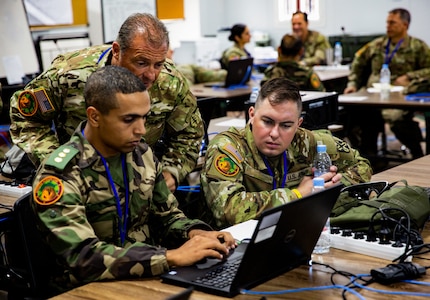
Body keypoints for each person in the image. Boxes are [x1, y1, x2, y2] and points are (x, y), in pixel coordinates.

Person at [30, 65, 236, 295]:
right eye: (129, 119)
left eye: (144, 117)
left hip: (148, 275)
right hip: (87, 288)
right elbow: (84, 257)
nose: (141, 129)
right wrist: (170, 257)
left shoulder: (141, 154)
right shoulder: (59, 175)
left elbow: (167, 217)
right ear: (94, 116)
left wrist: (196, 234)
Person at [9, 13, 204, 192]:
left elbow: (189, 134)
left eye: (158, 64)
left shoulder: (170, 83)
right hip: (78, 183)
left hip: (137, 185)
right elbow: (27, 117)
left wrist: (172, 172)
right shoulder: (68, 75)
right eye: (141, 63)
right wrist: (57, 163)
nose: (151, 75)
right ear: (117, 51)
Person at [200, 77, 372, 229]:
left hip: (294, 232)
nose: (275, 133)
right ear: (251, 115)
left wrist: (329, 187)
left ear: (298, 124)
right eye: (267, 122)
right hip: (235, 245)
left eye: (286, 125)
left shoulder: (307, 141)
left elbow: (362, 165)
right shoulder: (228, 148)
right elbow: (227, 210)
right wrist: (298, 195)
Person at [343, 8, 430, 159]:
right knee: (352, 114)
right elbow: (357, 64)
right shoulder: (376, 45)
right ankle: (369, 157)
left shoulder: (417, 46)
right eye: (387, 22)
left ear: (405, 25)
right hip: (372, 95)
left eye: (392, 23)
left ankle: (418, 154)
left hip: (400, 97)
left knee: (396, 119)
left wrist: (410, 76)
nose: (388, 26)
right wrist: (352, 84)